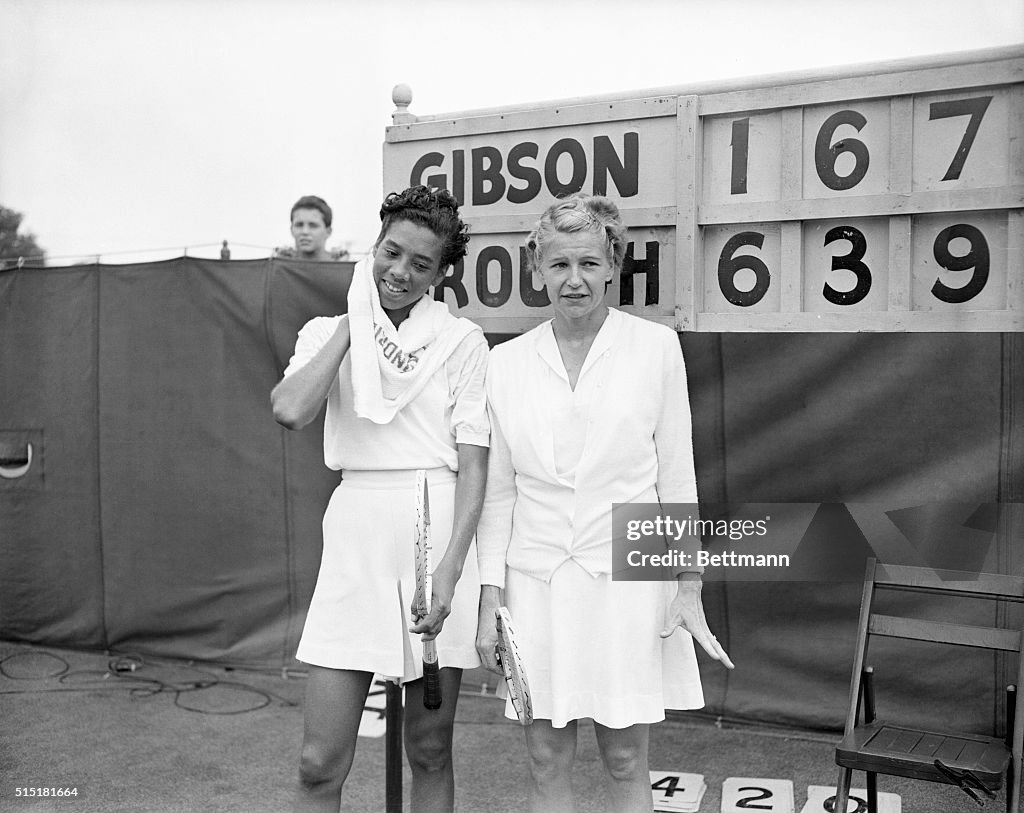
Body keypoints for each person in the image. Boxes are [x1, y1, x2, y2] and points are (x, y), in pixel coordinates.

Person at [475, 194, 733, 813]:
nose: (574, 280)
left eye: (589, 263)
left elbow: (677, 478)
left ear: (613, 263)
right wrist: (490, 598)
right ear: (536, 267)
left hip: (627, 576)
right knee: (544, 759)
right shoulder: (504, 363)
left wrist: (689, 583)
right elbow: (500, 492)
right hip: (534, 581)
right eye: (559, 264)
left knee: (624, 759)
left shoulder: (655, 349)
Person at [271, 185, 489, 813]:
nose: (400, 273)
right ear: (374, 245)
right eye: (391, 254)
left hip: (436, 526)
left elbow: (474, 465)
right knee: (318, 762)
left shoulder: (462, 341)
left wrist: (451, 572)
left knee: (429, 751)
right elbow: (290, 409)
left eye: (422, 265)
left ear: (442, 273)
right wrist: (356, 327)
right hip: (357, 534)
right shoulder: (326, 331)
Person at [277, 195, 337, 261]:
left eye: (313, 226)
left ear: (328, 232)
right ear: (291, 230)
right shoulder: (276, 267)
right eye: (299, 225)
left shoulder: (343, 268)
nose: (305, 232)